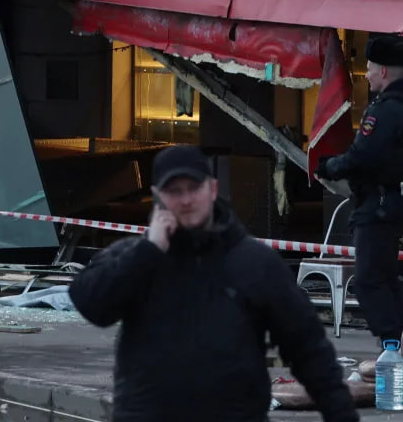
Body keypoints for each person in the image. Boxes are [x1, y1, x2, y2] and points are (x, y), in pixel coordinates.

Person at [69, 145, 359, 422]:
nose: (185, 200)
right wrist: (148, 251)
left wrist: (340, 414)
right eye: (174, 191)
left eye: (193, 188)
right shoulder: (137, 258)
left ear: (213, 189)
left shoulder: (253, 262)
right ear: (157, 196)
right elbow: (91, 303)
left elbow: (307, 347)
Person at [315, 35, 403, 349]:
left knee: (368, 280)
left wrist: (329, 166)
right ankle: (397, 344)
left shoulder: (385, 112)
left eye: (370, 68)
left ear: (384, 72)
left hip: (377, 206)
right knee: (386, 278)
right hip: (395, 205)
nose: (367, 75)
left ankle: (392, 344)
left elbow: (364, 156)